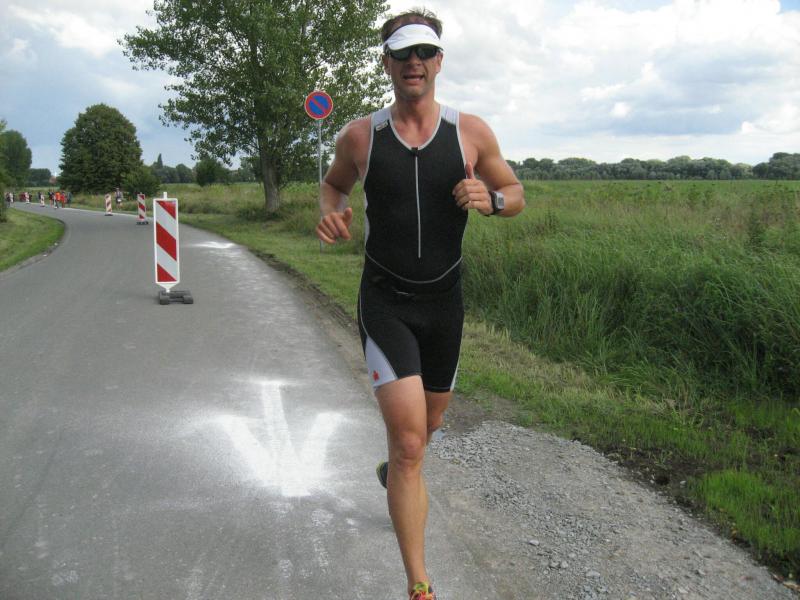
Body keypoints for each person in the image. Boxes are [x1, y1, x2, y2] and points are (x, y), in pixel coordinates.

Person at [316, 9, 525, 600]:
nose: (414, 62)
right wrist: (330, 213)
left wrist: (491, 200)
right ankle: (419, 584)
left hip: (444, 305)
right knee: (410, 444)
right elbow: (333, 185)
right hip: (385, 300)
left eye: (425, 52)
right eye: (403, 53)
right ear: (386, 63)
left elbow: (515, 192)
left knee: (427, 428)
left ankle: (394, 474)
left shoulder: (470, 133)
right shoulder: (360, 136)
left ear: (439, 62)